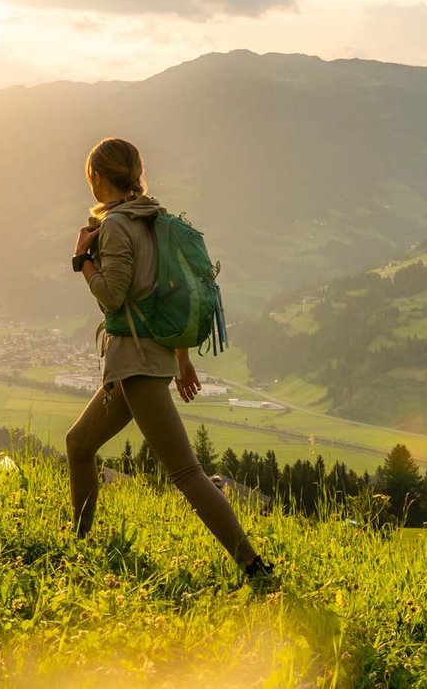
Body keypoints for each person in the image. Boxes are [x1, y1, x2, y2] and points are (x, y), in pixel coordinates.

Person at [62, 137, 272, 582]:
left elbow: (112, 295)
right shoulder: (151, 218)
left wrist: (81, 259)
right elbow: (164, 292)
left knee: (187, 472)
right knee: (79, 446)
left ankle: (254, 566)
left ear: (97, 177)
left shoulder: (118, 225)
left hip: (136, 363)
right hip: (138, 360)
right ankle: (77, 544)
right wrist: (182, 357)